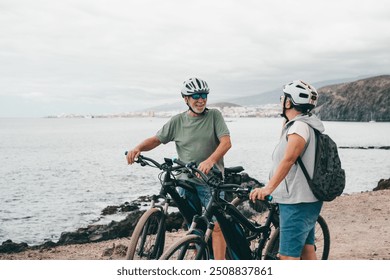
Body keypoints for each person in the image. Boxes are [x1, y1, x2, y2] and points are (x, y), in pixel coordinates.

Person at [126, 77, 232, 260]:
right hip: (186, 180)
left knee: (216, 226)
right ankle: (199, 256)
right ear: (186, 99)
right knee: (193, 225)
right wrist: (138, 148)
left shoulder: (214, 116)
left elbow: (226, 143)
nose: (201, 100)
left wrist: (210, 161)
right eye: (196, 96)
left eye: (204, 95)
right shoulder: (177, 121)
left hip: (210, 181)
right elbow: (157, 139)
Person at [249, 80, 324, 260]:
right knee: (307, 250)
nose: (281, 100)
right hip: (306, 199)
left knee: (288, 258)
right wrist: (287, 118)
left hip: (296, 202)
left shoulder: (299, 127)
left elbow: (288, 159)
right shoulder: (304, 124)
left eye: (283, 98)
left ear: (289, 102)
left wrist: (268, 188)